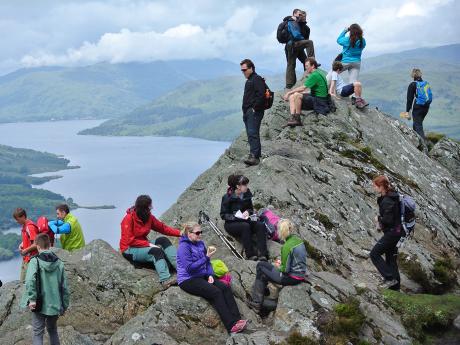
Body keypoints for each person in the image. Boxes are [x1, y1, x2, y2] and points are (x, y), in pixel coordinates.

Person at [177, 222, 247, 334]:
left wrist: (210, 275)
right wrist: (206, 257)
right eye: (197, 233)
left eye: (201, 232)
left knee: (224, 287)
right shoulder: (183, 247)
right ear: (189, 233)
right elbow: (189, 268)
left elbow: (208, 263)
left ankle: (237, 320)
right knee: (216, 292)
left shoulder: (200, 244)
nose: (200, 235)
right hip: (188, 279)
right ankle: (231, 326)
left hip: (202, 275)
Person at [120, 195, 180, 288]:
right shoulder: (128, 219)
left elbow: (163, 228)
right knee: (156, 251)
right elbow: (129, 241)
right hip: (129, 249)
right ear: (143, 208)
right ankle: (165, 280)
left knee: (163, 240)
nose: (152, 208)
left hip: (143, 245)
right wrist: (149, 244)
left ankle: (181, 269)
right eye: (149, 206)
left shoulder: (149, 217)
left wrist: (180, 233)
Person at [247, 219, 307, 313]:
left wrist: (278, 265)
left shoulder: (287, 246)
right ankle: (263, 290)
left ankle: (256, 303)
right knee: (264, 268)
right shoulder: (298, 240)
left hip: (291, 277)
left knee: (260, 266)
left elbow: (285, 270)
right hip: (301, 274)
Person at [20, 233, 69, 345]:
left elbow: (30, 281)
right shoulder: (59, 263)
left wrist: (32, 299)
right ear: (50, 245)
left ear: (37, 246)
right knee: (52, 330)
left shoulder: (34, 261)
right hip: (55, 303)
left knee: (38, 333)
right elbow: (64, 287)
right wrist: (64, 305)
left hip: (39, 303)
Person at [220, 174, 268, 261]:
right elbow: (223, 215)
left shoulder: (247, 194)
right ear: (238, 186)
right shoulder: (227, 197)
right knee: (245, 226)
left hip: (245, 219)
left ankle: (262, 254)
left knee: (260, 225)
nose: (247, 186)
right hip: (231, 224)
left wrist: (248, 212)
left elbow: (250, 209)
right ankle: (250, 255)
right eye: (244, 185)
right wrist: (236, 217)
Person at [369, 175, 402, 290]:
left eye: (375, 186)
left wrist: (378, 219)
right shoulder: (392, 196)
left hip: (392, 233)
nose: (374, 188)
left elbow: (388, 220)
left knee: (374, 254)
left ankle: (389, 278)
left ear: (381, 186)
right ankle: (395, 288)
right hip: (397, 232)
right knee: (391, 259)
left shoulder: (387, 200)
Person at [283, 57, 330, 126]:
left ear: (313, 66)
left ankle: (298, 120)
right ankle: (293, 117)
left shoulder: (314, 75)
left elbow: (303, 88)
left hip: (320, 101)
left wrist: (289, 92)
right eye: (305, 66)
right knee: (292, 97)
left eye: (307, 66)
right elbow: (316, 89)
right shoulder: (318, 72)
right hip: (318, 97)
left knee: (296, 95)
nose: (306, 68)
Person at [240, 58, 266, 166]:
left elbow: (261, 95)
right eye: (242, 70)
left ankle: (255, 157)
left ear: (251, 68)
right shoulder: (250, 80)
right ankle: (253, 155)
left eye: (244, 70)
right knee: (250, 134)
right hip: (248, 112)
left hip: (254, 112)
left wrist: (254, 108)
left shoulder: (256, 79)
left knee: (253, 133)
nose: (243, 72)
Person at [285, 9, 316, 89]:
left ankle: (308, 73)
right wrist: (303, 40)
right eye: (301, 15)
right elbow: (296, 35)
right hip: (292, 45)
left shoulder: (307, 28)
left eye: (305, 16)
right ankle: (290, 85)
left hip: (298, 46)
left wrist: (303, 41)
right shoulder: (293, 22)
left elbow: (306, 39)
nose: (303, 17)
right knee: (291, 64)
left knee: (304, 60)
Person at [402, 68, 432, 141]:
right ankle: (416, 142)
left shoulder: (413, 84)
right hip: (426, 107)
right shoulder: (426, 83)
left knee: (418, 125)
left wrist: (407, 112)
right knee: (417, 124)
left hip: (418, 107)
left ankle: (424, 146)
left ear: (413, 75)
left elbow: (409, 100)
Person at [13, 208, 39, 282]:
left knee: (27, 282)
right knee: (22, 282)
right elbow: (28, 239)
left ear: (23, 216)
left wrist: (26, 250)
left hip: (31, 259)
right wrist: (22, 244)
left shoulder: (30, 227)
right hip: (26, 259)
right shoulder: (24, 226)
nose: (17, 221)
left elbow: (36, 243)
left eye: (17, 219)